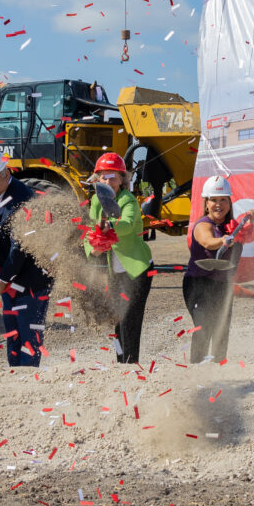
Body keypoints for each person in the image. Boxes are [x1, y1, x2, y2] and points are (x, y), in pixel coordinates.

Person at [0, 147, 53, 367]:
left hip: (31, 281)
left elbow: (21, 245)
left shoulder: (22, 200)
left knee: (28, 337)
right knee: (13, 335)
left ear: (6, 173)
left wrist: (5, 276)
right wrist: (0, 268)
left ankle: (28, 382)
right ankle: (14, 375)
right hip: (12, 279)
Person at [84, 152, 153, 365]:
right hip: (113, 271)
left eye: (113, 177)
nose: (108, 181)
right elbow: (89, 230)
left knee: (129, 320)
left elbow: (129, 223)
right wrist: (91, 249)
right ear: (97, 179)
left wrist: (110, 227)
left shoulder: (128, 200)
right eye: (103, 176)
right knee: (116, 319)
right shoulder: (96, 199)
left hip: (137, 270)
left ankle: (131, 366)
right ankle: (120, 362)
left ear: (122, 179)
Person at [182, 176, 254, 363]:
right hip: (198, 284)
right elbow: (207, 241)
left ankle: (218, 369)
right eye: (213, 200)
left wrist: (250, 218)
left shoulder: (231, 227)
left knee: (221, 329)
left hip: (222, 285)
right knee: (204, 327)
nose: (218, 204)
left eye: (223, 199)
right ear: (206, 203)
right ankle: (197, 370)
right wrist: (222, 241)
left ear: (229, 203)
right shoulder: (203, 224)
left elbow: (247, 230)